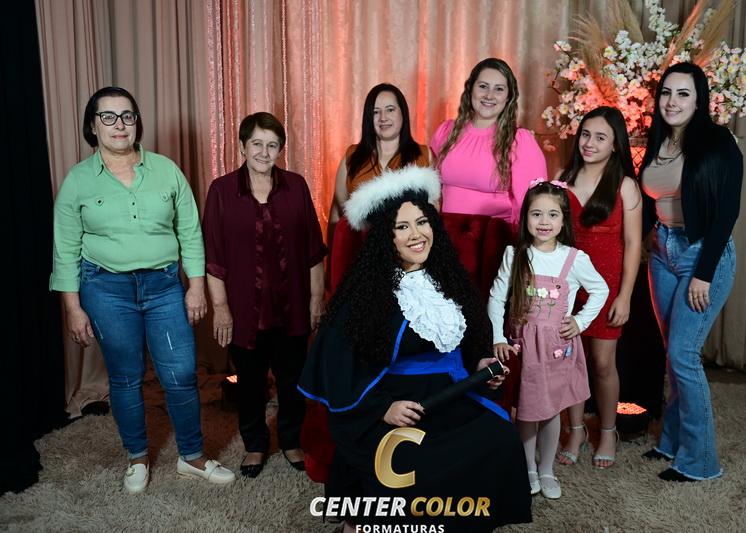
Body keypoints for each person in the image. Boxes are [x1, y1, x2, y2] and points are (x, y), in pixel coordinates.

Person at [299, 166, 532, 532]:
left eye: (422, 222)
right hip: (396, 402)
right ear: (386, 236)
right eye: (402, 227)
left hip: (451, 393)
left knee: (499, 437)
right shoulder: (367, 292)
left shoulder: (449, 278)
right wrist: (382, 408)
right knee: (410, 459)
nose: (416, 234)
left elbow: (466, 343)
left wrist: (480, 365)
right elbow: (338, 367)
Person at [49, 86, 234, 494]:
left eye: (127, 116)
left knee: (180, 372)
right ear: (93, 126)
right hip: (105, 289)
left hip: (164, 287)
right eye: (109, 117)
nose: (119, 125)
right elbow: (65, 248)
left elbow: (190, 232)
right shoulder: (78, 181)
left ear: (137, 122)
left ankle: (192, 456)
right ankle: (137, 457)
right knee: (126, 377)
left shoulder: (166, 170)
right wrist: (73, 307)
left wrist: (196, 287)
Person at [203, 112, 327, 478]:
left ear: (280, 150)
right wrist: (221, 308)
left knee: (292, 380)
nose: (264, 152)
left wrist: (316, 299)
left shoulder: (296, 186)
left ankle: (290, 440)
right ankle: (255, 445)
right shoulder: (221, 191)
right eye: (256, 143)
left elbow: (313, 250)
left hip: (292, 307)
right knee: (250, 383)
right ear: (242, 146)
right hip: (244, 309)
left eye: (272, 145)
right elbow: (213, 257)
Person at [639, 62, 742, 482]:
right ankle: (671, 441)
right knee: (673, 353)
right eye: (666, 92)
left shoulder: (718, 141)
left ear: (699, 101)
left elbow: (727, 211)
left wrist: (704, 271)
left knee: (684, 354)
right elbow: (654, 197)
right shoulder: (659, 140)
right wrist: (647, 236)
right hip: (663, 253)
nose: (672, 101)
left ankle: (701, 462)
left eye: (683, 93)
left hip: (702, 255)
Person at [488, 180, 608, 499]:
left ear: (563, 220)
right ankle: (528, 467)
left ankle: (546, 469)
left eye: (553, 215)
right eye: (536, 213)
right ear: (525, 217)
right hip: (525, 347)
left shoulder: (574, 259)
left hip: (556, 349)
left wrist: (580, 321)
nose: (544, 222)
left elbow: (601, 289)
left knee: (552, 410)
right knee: (527, 409)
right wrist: (498, 336)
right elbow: (496, 297)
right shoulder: (516, 255)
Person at [556, 106, 642, 468]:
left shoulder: (625, 185)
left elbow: (633, 244)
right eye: (586, 134)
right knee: (570, 361)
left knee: (603, 363)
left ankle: (608, 430)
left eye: (600, 137)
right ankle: (576, 429)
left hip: (606, 287)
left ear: (615, 144)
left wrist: (625, 296)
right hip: (566, 284)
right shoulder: (562, 177)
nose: (589, 143)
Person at [431, 57, 548, 226]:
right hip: (447, 231)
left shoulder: (520, 141)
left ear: (508, 97)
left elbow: (533, 204)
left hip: (494, 235)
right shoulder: (446, 132)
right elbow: (431, 189)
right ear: (470, 89)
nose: (489, 95)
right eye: (483, 86)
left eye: (499, 89)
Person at [328, 83, 431, 235]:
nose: (383, 118)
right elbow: (338, 213)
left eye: (390, 110)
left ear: (403, 113)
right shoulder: (352, 157)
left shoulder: (424, 155)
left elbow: (434, 213)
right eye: (376, 112)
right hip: (361, 247)